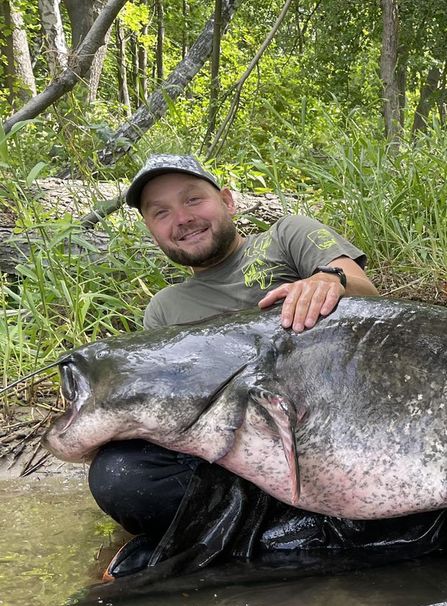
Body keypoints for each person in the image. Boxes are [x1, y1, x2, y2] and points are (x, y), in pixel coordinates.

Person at [88, 154, 381, 564]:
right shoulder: (164, 310)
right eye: (161, 213)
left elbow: (367, 292)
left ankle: (251, 534)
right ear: (152, 230)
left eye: (193, 200)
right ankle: (322, 523)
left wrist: (327, 281)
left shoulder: (286, 235)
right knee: (120, 477)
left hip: (337, 426)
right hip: (242, 456)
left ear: (227, 201)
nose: (182, 219)